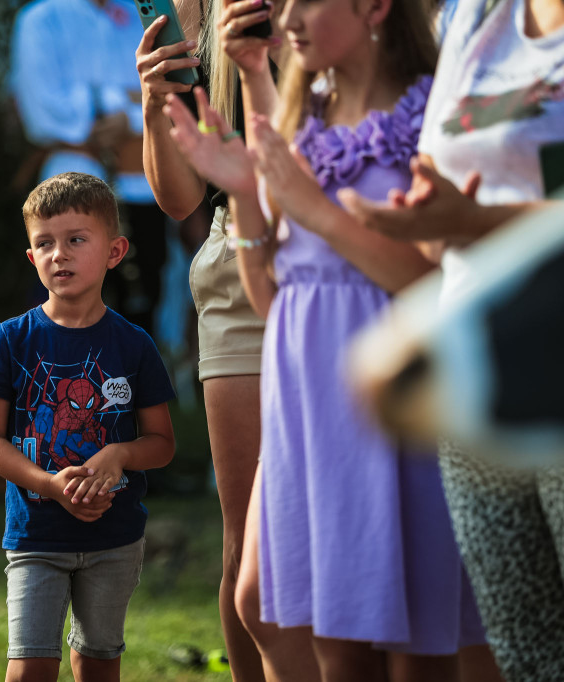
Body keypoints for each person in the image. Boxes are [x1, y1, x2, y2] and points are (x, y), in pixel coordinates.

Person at [162, 0, 490, 672]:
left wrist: (314, 210)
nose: (284, 16)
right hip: (308, 401)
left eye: (301, 1)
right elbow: (270, 294)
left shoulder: (436, 112)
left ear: (374, 6)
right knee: (307, 628)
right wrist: (247, 195)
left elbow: (435, 282)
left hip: (394, 399)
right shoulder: (303, 115)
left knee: (412, 652)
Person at [338, 0, 564, 676]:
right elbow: (440, 199)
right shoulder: (473, 16)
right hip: (474, 381)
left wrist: (478, 218)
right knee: (529, 652)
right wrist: (429, 217)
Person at [136, 2, 318, 680]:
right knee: (249, 543)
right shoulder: (190, 8)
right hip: (237, 258)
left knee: (354, 521)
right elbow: (181, 198)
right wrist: (156, 103)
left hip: (344, 247)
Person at [0, 172, 176, 682]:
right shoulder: (10, 340)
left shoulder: (135, 346)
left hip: (116, 538)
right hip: (36, 533)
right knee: (29, 667)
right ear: (31, 257)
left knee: (99, 663)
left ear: (114, 250)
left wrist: (119, 455)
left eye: (76, 240)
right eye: (45, 243)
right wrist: (49, 486)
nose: (59, 254)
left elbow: (162, 443)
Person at [10, 0, 168, 334]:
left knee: (140, 322)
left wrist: (122, 112)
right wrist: (129, 104)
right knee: (66, 321)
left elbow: (170, 95)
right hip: (69, 191)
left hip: (144, 190)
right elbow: (45, 110)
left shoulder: (141, 13)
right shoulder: (42, 19)